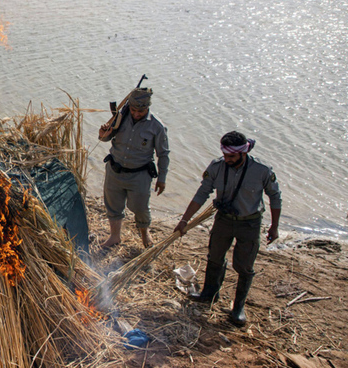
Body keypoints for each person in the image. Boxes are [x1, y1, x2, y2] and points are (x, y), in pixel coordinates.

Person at [174, 131, 282, 327]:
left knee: (244, 266)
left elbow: (275, 197)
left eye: (231, 156)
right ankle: (209, 294)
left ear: (243, 153)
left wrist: (274, 227)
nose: (227, 159)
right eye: (225, 155)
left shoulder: (262, 170)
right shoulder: (217, 167)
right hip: (223, 220)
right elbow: (202, 193)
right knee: (215, 257)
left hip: (249, 223)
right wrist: (184, 220)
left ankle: (238, 308)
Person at [98, 88, 170, 248]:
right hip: (115, 170)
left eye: (141, 111)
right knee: (113, 204)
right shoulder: (120, 118)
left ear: (148, 108)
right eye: (133, 110)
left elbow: (163, 154)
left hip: (139, 175)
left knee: (141, 207)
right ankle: (115, 236)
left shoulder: (157, 126)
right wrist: (103, 133)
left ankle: (145, 234)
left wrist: (162, 179)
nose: (136, 114)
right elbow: (105, 138)